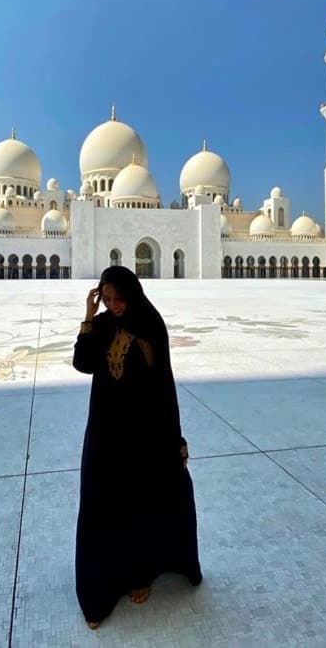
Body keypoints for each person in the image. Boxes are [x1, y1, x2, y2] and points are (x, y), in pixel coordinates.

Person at [73, 266, 202, 629]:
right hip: (104, 432)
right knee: (103, 504)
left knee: (143, 503)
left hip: (143, 433)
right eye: (107, 299)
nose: (113, 305)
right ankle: (101, 587)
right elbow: (82, 364)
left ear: (131, 293)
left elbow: (164, 385)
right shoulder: (100, 326)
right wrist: (87, 317)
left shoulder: (150, 323)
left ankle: (142, 574)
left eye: (118, 298)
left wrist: (174, 437)